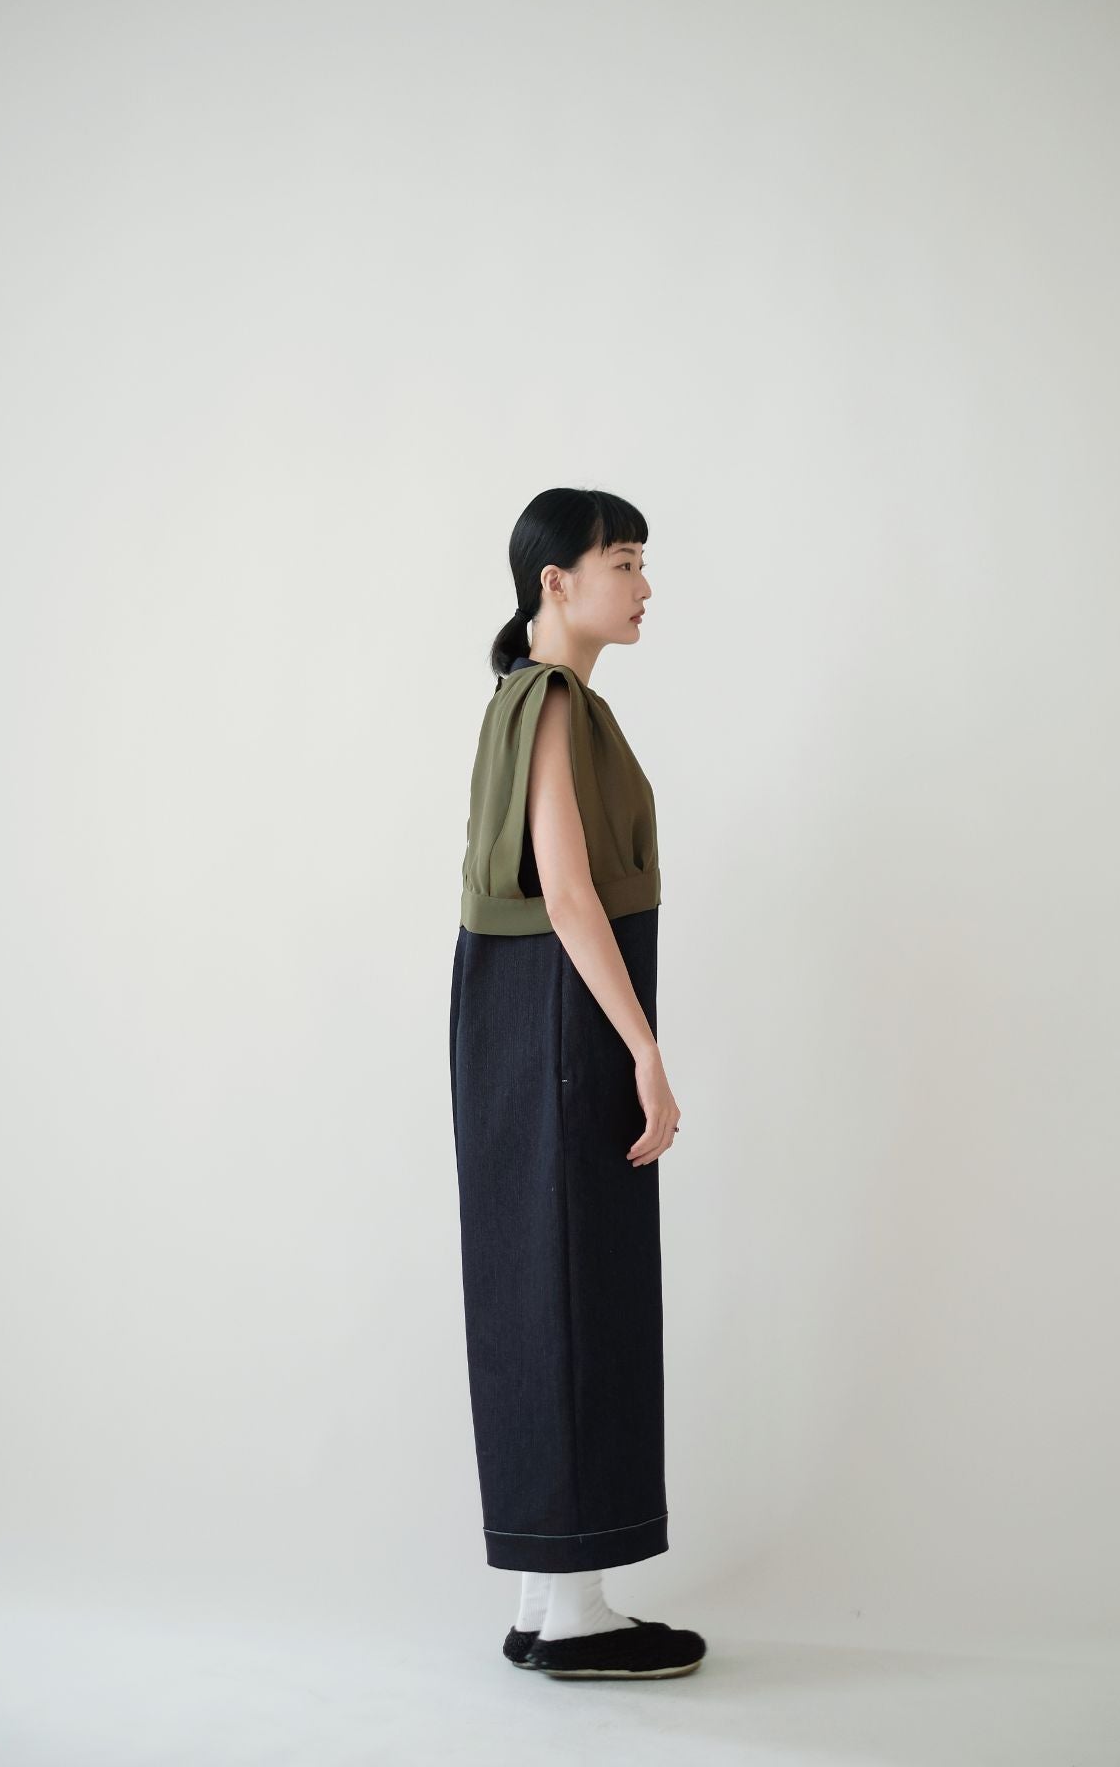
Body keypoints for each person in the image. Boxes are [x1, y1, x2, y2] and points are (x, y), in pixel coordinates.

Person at [449, 486, 707, 1680]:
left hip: (527, 1017)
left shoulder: (532, 697)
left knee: (537, 1286)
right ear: (554, 581)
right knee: (572, 1291)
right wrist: (643, 1049)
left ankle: (544, 1595)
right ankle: (573, 1617)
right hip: (562, 1016)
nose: (643, 586)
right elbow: (564, 893)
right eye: (623, 561)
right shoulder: (550, 699)